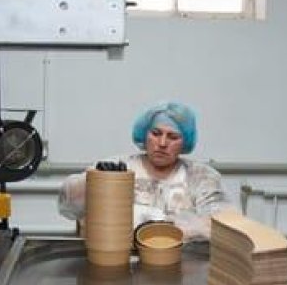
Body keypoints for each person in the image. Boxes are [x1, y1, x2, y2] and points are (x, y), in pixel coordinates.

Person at [58, 100, 230, 241]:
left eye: (173, 137)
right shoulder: (118, 167)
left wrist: (164, 227)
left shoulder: (200, 177)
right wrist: (97, 182)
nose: (162, 143)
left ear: (185, 142)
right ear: (145, 134)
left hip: (181, 262)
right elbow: (69, 205)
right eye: (156, 133)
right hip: (118, 260)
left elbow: (223, 223)